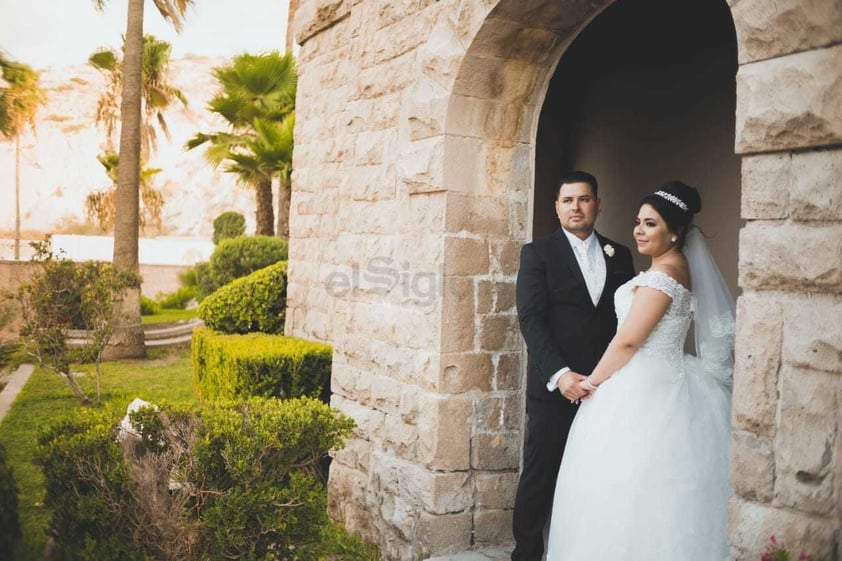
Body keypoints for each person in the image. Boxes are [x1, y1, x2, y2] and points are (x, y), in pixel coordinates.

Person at [545, 181, 735, 560]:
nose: (639, 231)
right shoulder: (673, 269)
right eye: (638, 222)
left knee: (631, 485)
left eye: (651, 224)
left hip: (643, 387)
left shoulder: (661, 278)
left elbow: (629, 341)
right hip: (665, 377)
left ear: (675, 232)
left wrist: (591, 382)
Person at [512, 171, 635, 561]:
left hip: (606, 388)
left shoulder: (621, 255)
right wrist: (560, 374)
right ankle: (527, 555)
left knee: (596, 474)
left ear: (598, 205)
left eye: (584, 199)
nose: (576, 207)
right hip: (556, 387)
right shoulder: (538, 254)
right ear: (557, 207)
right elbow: (531, 319)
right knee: (539, 475)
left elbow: (625, 321)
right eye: (568, 200)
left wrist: (610, 377)